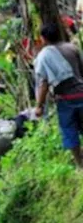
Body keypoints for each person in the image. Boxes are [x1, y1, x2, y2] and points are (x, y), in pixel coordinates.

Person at [33, 18, 83, 167]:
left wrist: (39, 106)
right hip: (81, 93)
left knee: (69, 130)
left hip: (65, 99)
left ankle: (80, 164)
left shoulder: (43, 56)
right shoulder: (72, 48)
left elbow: (44, 84)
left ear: (44, 38)